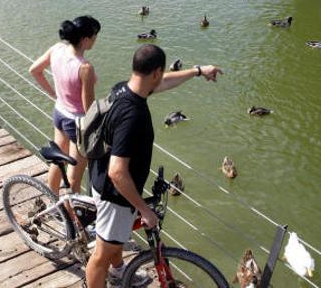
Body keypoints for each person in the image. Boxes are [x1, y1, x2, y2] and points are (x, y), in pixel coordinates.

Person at [85, 44, 222, 288]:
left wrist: (198, 71)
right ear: (155, 71)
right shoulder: (132, 115)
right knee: (100, 256)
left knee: (114, 240)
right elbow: (118, 172)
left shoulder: (124, 89)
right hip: (114, 195)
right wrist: (144, 210)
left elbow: (164, 82)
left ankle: (118, 272)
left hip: (99, 175)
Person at [29, 15, 101, 194]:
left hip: (60, 114)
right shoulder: (85, 67)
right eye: (94, 36)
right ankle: (71, 218)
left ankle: (52, 200)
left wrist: (54, 94)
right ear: (85, 39)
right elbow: (88, 108)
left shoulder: (57, 49)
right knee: (74, 178)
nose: (95, 40)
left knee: (57, 161)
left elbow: (34, 70)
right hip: (76, 123)